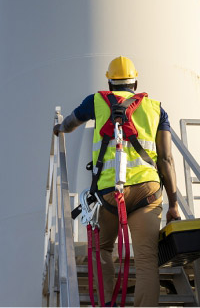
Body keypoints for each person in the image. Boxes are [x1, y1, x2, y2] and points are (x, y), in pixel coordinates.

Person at [53, 56, 180, 307]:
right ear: (135, 81)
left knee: (101, 251)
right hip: (148, 192)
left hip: (109, 192)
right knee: (146, 260)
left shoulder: (96, 101)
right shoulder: (156, 108)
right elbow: (166, 158)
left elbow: (69, 123)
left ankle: (106, 304)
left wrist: (58, 129)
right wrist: (174, 204)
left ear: (109, 81)